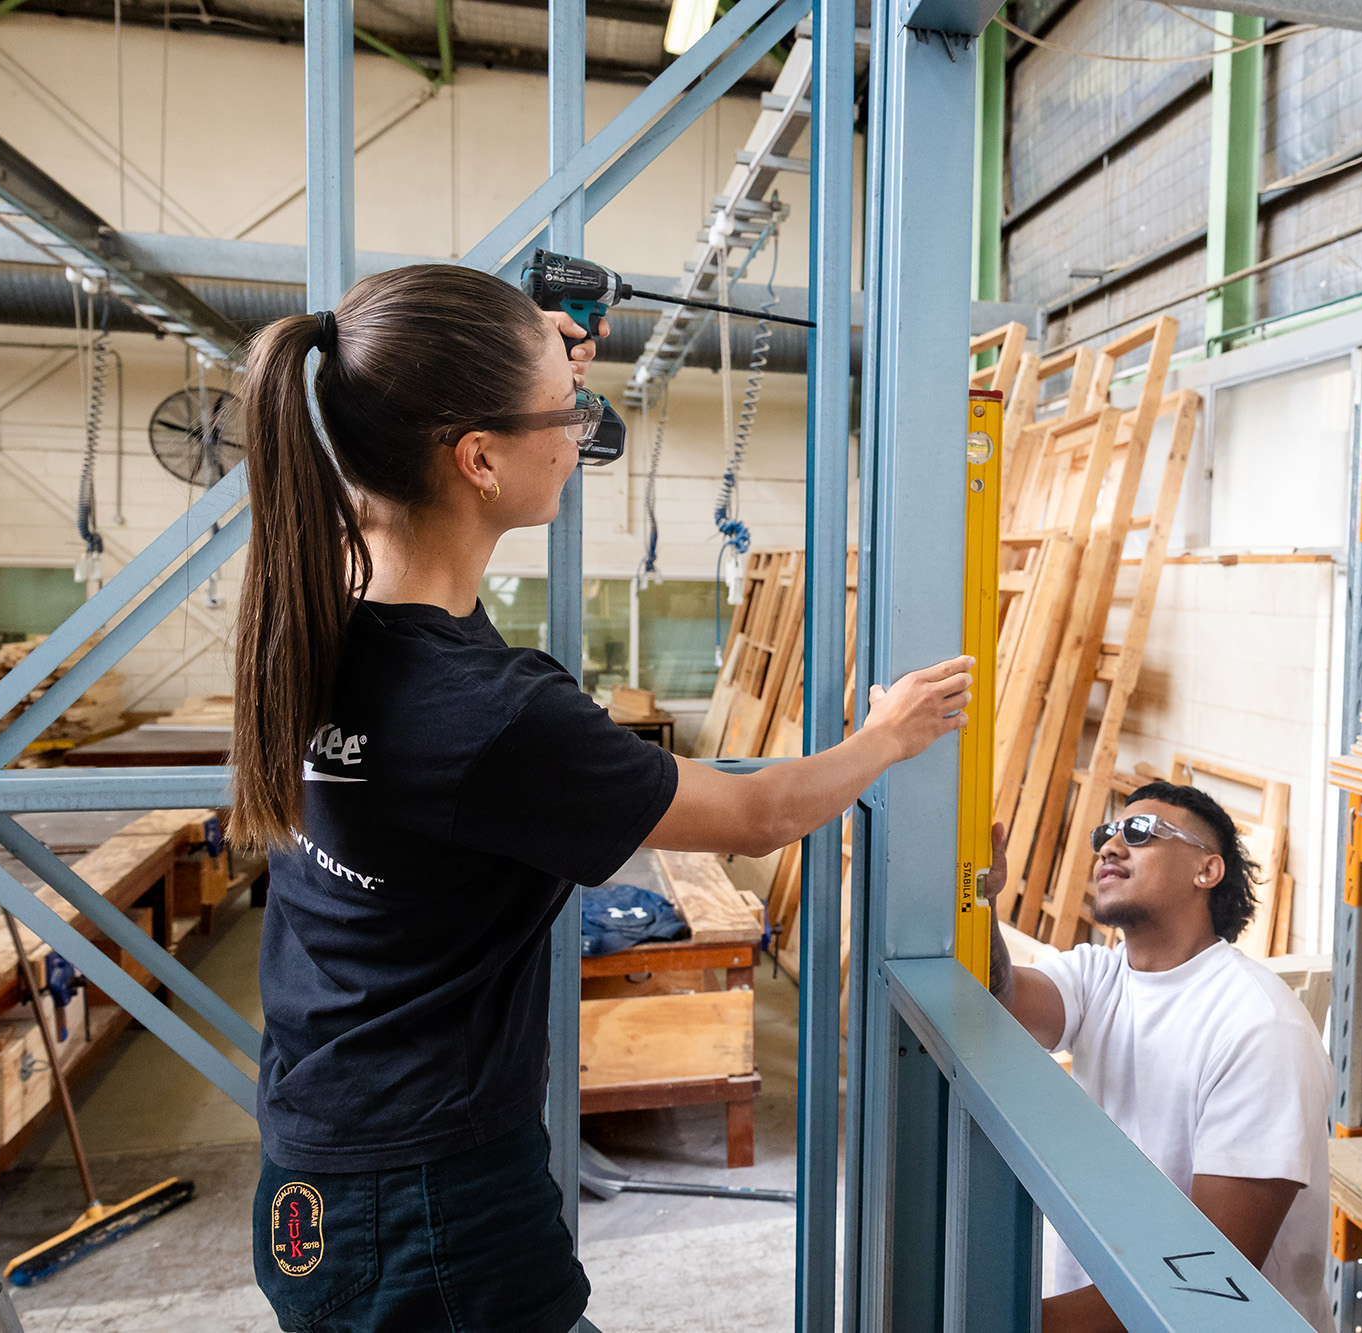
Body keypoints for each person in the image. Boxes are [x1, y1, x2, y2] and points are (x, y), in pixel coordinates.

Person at [230, 264, 973, 1333]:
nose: (583, 428)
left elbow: (414, 399)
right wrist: (885, 736)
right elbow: (757, 816)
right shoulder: (494, 718)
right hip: (429, 1205)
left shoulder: (319, 618)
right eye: (569, 410)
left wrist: (525, 357)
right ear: (476, 456)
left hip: (319, 1167)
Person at [987, 781, 1333, 1333]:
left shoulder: (1259, 1027)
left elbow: (1209, 1281)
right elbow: (1000, 997)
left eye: (1140, 832)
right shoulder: (1100, 976)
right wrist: (975, 894)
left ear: (1207, 870)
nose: (1110, 846)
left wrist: (1007, 1323)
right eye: (1107, 833)